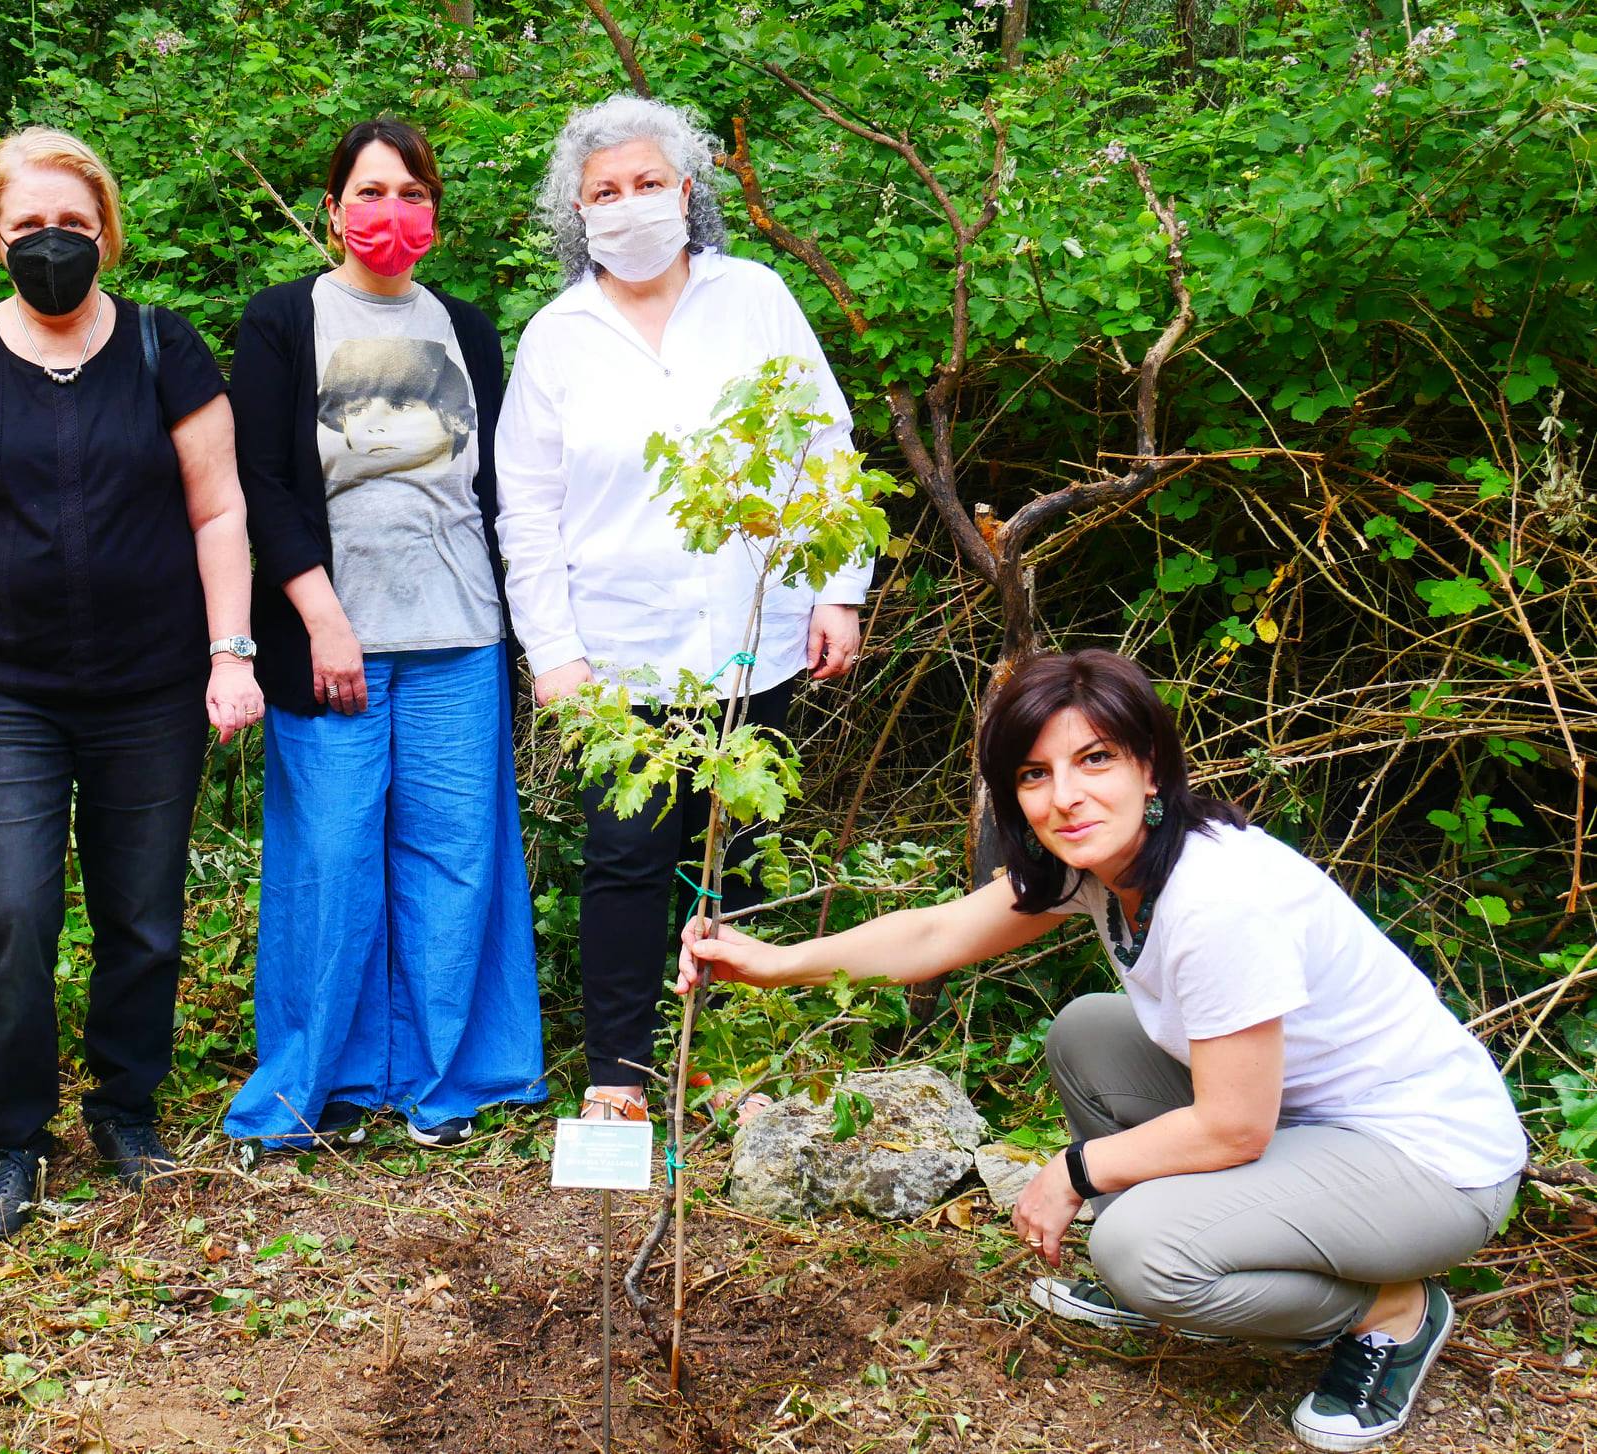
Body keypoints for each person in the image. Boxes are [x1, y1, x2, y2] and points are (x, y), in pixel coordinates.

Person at [676, 650, 1526, 1451]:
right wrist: (772, 964)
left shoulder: (1217, 902)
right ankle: (1195, 1254)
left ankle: (1388, 1308)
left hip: (1429, 1165)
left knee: (1136, 1250)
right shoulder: (1102, 868)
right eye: (1033, 775)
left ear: (1148, 766)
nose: (1064, 797)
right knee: (1089, 1033)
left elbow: (1233, 1130)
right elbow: (935, 933)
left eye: (1094, 760)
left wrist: (1075, 1172)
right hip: (1308, 1128)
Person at [0, 127, 262, 1238]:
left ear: (102, 227)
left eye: (69, 223)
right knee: (13, 908)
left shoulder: (164, 346)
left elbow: (219, 508)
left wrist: (230, 651)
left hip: (151, 682)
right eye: (25, 228)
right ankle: (13, 1139)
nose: (49, 243)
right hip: (5, 685)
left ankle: (124, 1107)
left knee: (142, 914)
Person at [495, 94, 870, 1124]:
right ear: (577, 213)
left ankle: (732, 1062)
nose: (628, 206)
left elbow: (823, 441)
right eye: (604, 193)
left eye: (647, 184)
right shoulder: (557, 337)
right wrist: (555, 652)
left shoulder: (752, 296)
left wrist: (840, 586)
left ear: (688, 189)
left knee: (743, 846)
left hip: (757, 637)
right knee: (625, 860)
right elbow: (526, 508)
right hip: (619, 658)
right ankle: (619, 1071)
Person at [221, 118, 545, 1153]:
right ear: (332, 209)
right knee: (334, 856)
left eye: (408, 192)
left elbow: (503, 492)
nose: (387, 213)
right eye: (367, 192)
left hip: (461, 632)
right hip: (330, 639)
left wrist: (533, 633)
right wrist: (322, 618)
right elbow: (260, 481)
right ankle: (326, 1082)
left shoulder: (470, 328)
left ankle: (444, 1080)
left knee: (454, 858)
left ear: (434, 216)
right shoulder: (282, 321)